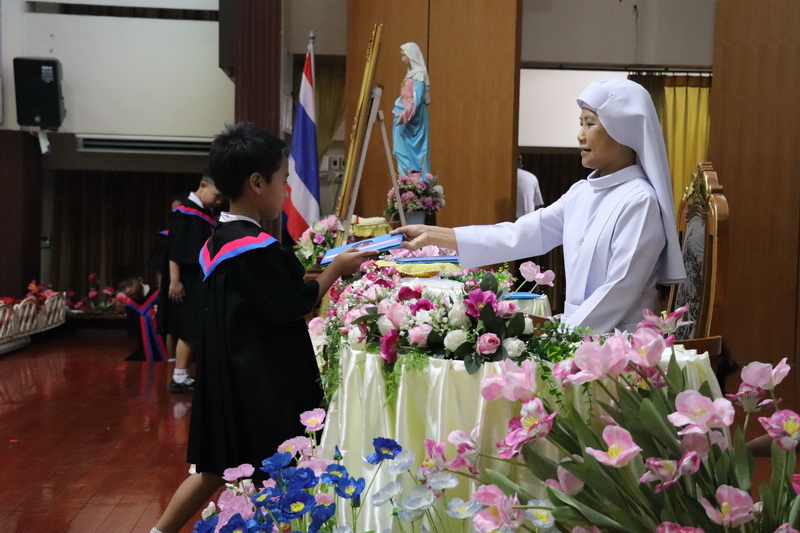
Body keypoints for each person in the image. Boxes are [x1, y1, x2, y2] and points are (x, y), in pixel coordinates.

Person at [151, 122, 374, 533]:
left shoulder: (218, 241)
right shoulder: (254, 250)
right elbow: (293, 305)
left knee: (213, 469)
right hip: (262, 382)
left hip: (226, 380)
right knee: (279, 466)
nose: (286, 191)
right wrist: (336, 269)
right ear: (256, 182)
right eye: (283, 180)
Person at [396, 78, 686, 334]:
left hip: (619, 342)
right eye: (581, 124)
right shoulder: (581, 193)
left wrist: (561, 335)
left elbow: (619, 290)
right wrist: (435, 235)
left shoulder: (640, 201)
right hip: (576, 334)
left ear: (623, 130)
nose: (580, 135)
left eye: (590, 123)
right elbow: (518, 235)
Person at [157, 176, 225, 394]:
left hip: (197, 279)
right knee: (188, 329)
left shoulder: (204, 213)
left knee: (194, 328)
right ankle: (179, 377)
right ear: (203, 186)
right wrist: (175, 281)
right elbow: (175, 249)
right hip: (185, 280)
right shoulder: (184, 212)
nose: (218, 201)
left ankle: (184, 375)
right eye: (217, 195)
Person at [393, 42, 431, 177]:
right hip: (404, 117)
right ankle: (405, 179)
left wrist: (404, 114)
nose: (402, 59)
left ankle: (413, 180)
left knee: (409, 151)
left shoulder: (418, 75)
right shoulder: (411, 74)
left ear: (411, 56)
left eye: (404, 55)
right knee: (399, 150)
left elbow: (417, 99)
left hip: (412, 119)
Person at [116, 265, 166, 362]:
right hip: (143, 352)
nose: (128, 290)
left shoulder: (158, 296)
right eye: (123, 288)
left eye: (130, 285)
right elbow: (132, 331)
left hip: (165, 350)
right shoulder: (130, 304)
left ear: (140, 280)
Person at [516, 153, 544, 218]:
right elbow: (537, 205)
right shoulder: (532, 177)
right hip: (527, 218)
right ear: (521, 165)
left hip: (506, 219)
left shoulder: (503, 178)